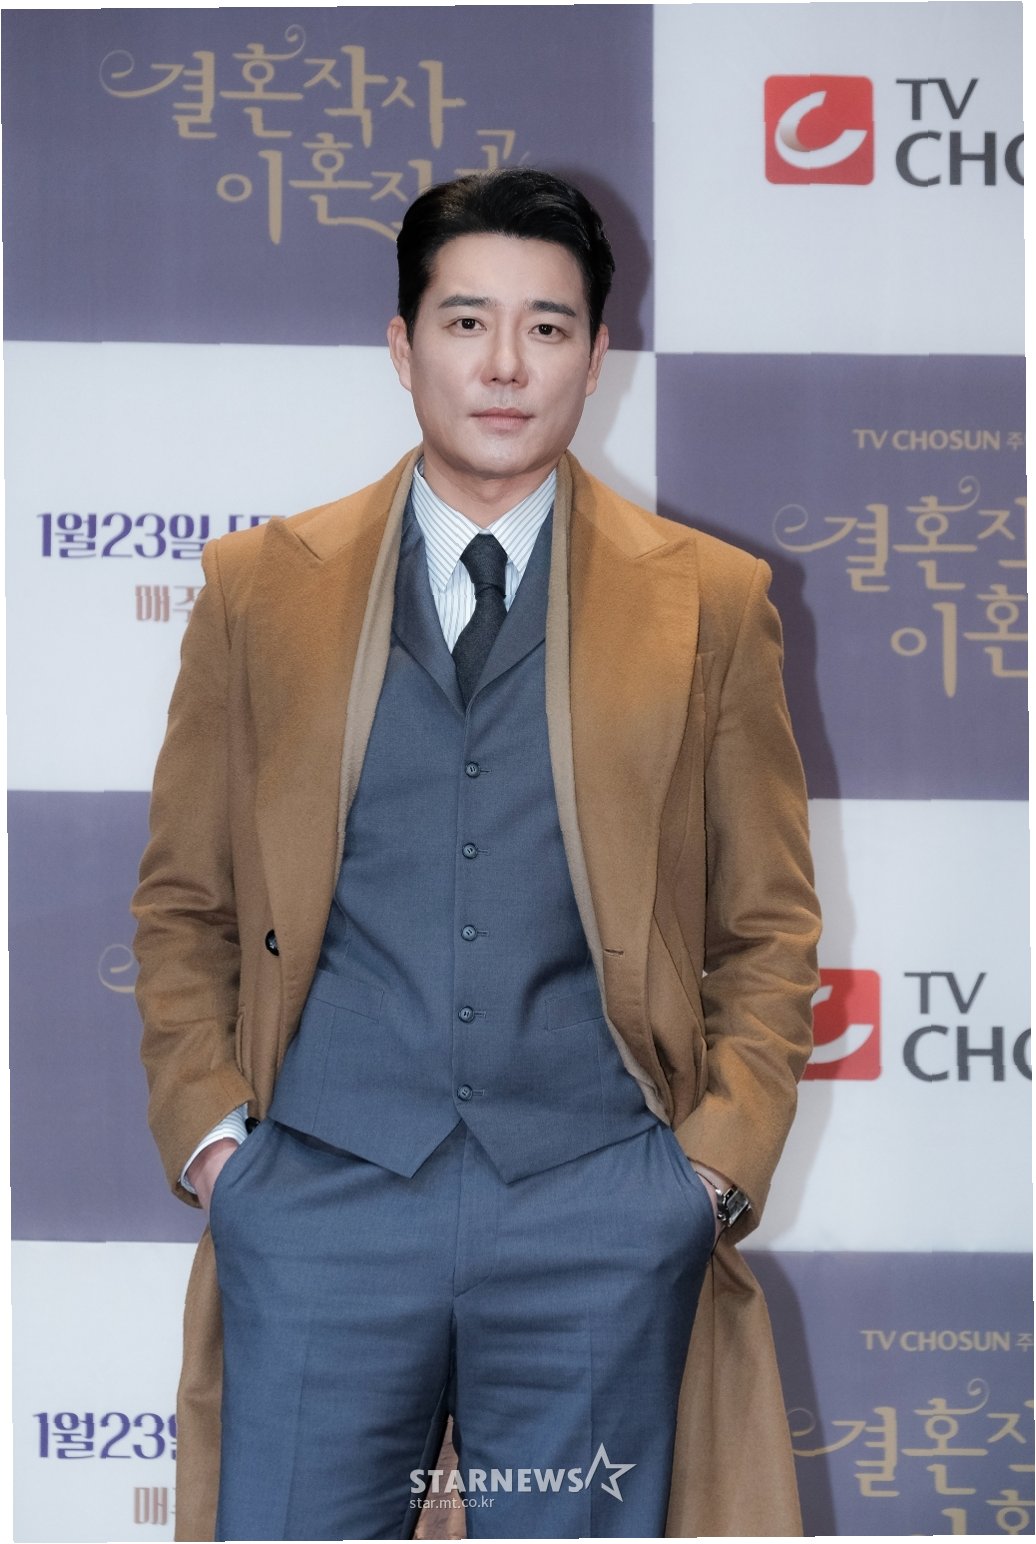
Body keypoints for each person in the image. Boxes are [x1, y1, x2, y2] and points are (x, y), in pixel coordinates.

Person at [132, 167, 821, 1542]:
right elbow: (184, 901)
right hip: (319, 1204)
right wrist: (219, 1151)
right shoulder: (258, 590)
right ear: (403, 348)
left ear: (596, 357)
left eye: (547, 327)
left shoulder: (710, 602)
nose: (506, 364)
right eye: (466, 322)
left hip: (597, 1213)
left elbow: (767, 923)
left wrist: (703, 1175)